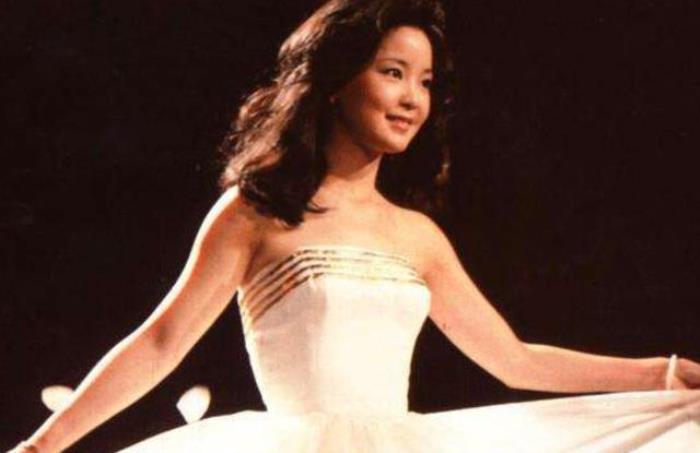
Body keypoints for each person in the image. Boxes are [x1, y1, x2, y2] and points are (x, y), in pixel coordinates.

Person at [10, 0, 700, 452]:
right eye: (393, 72)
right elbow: (162, 342)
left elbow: (513, 359)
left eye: (425, 81)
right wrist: (44, 445)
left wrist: (663, 373)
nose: (412, 98)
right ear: (339, 80)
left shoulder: (417, 237)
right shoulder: (257, 212)